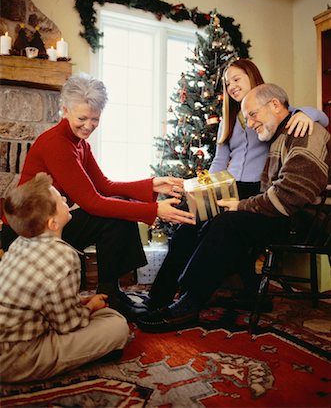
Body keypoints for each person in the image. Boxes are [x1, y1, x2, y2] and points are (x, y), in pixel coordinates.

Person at [137, 83, 331, 332]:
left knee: (229, 223)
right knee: (218, 219)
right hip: (282, 213)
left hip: (302, 221)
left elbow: (290, 195)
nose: (249, 123)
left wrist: (241, 205)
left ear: (274, 105)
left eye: (252, 115)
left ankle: (189, 303)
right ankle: (184, 295)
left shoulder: (304, 131)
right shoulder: (280, 134)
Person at [0, 73, 195, 320]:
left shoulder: (80, 143)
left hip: (51, 226)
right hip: (27, 233)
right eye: (82, 118)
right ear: (65, 110)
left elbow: (103, 185)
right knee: (112, 216)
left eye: (95, 119)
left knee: (118, 208)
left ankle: (111, 291)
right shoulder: (57, 144)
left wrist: (152, 185)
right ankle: (110, 293)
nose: (89, 125)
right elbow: (93, 201)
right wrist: (154, 211)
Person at [0, 173, 130, 382]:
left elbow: (40, 296)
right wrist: (90, 307)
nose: (65, 200)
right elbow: (69, 325)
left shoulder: (20, 242)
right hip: (17, 358)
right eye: (60, 199)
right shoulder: (63, 256)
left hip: (9, 337)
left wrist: (78, 301)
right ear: (53, 223)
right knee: (116, 323)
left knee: (98, 315)